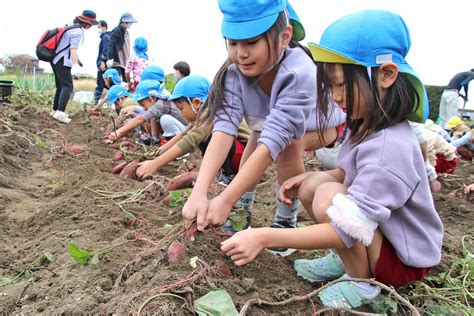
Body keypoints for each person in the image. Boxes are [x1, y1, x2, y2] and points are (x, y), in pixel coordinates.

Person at [220, 10, 444, 309]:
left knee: (329, 198)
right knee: (316, 184)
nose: (335, 97)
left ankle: (364, 288)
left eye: (341, 85)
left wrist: (262, 236)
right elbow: (351, 172)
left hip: (403, 259)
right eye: (330, 87)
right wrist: (319, 177)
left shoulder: (390, 147)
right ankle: (348, 261)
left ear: (386, 75)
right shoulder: (367, 123)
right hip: (383, 238)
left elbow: (345, 226)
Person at [182, 0, 344, 255]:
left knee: (287, 145)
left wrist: (225, 199)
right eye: (233, 43)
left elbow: (275, 142)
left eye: (251, 42)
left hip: (323, 126)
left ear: (284, 37)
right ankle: (241, 212)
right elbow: (224, 130)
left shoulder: (299, 72)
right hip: (269, 127)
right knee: (256, 138)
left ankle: (285, 222)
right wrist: (200, 191)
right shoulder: (234, 74)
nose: (240, 53)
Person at [136, 74, 250, 182]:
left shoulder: (211, 113)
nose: (181, 114)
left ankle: (226, 176)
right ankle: (220, 173)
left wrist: (155, 164)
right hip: (237, 154)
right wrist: (155, 154)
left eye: (181, 109)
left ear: (196, 102)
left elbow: (189, 140)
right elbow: (182, 136)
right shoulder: (201, 115)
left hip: (244, 158)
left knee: (210, 137)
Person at [50, 10, 98, 123]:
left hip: (55, 59)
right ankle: (60, 113)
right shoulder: (77, 31)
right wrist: (76, 64)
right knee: (68, 87)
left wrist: (78, 60)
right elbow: (72, 49)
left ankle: (55, 111)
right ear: (86, 22)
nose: (91, 26)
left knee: (61, 87)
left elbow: (67, 47)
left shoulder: (71, 28)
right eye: (91, 24)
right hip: (63, 61)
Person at [108, 79, 187, 143]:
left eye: (143, 104)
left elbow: (140, 119)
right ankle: (156, 139)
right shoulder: (156, 103)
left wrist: (119, 132)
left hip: (185, 132)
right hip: (181, 129)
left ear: (152, 98)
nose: (144, 108)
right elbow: (148, 114)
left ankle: (175, 144)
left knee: (165, 119)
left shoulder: (160, 104)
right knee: (155, 116)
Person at [107, 13, 137, 82]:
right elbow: (111, 45)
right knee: (115, 80)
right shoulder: (116, 31)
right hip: (118, 61)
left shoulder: (126, 32)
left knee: (126, 81)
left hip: (125, 61)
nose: (128, 24)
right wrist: (110, 58)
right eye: (127, 22)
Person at [93, 20, 111, 105]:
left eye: (99, 27)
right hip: (106, 64)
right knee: (105, 84)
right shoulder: (107, 37)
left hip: (103, 64)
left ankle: (95, 103)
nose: (97, 28)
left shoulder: (105, 37)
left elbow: (105, 50)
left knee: (101, 84)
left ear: (104, 27)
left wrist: (102, 61)